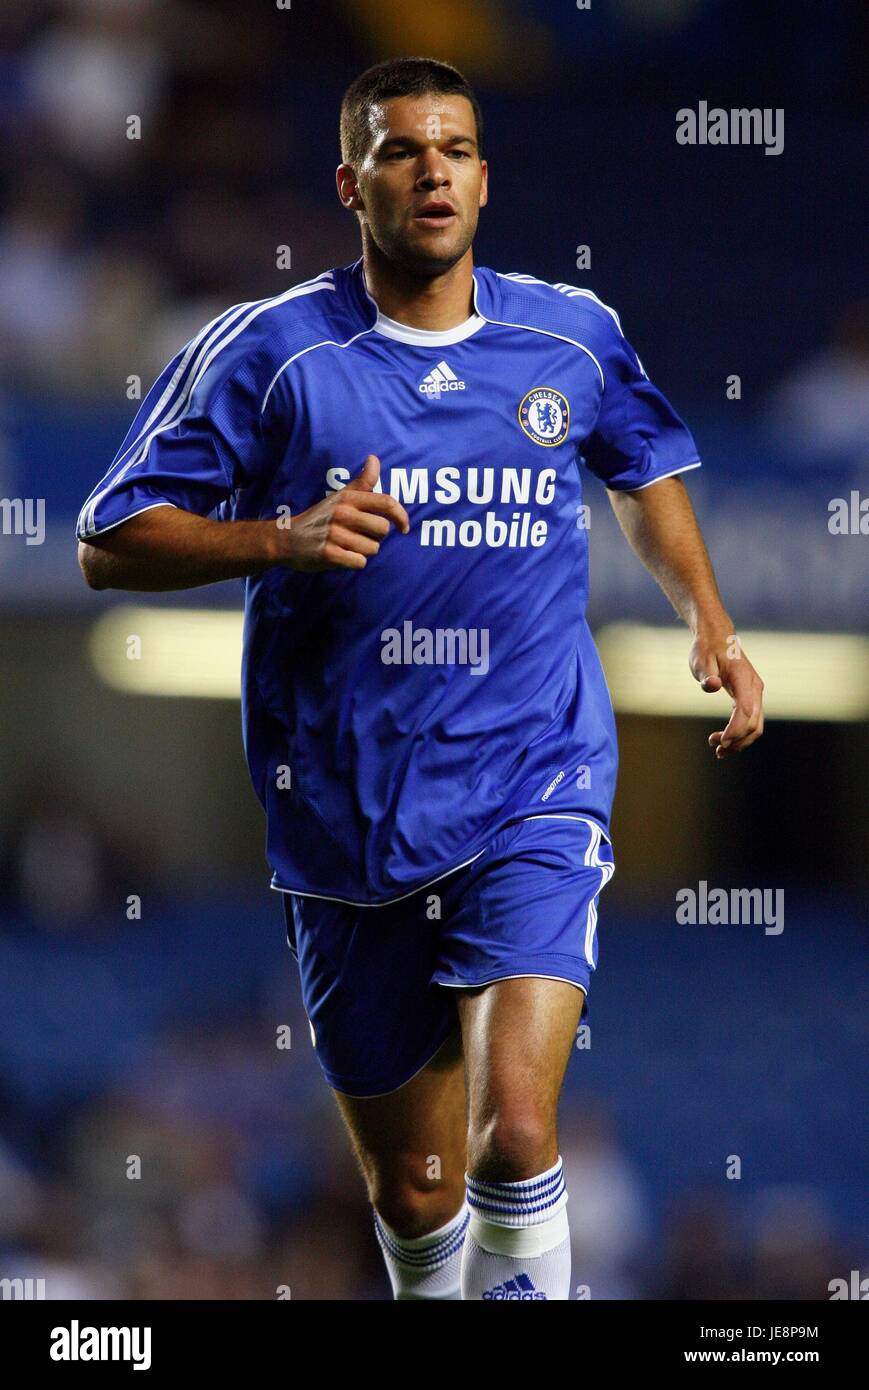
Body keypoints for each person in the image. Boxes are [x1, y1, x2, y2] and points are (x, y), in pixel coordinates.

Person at [76, 57, 764, 1301]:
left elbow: (644, 471)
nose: (430, 170)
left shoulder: (569, 334)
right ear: (351, 182)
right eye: (400, 151)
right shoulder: (270, 354)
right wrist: (277, 537)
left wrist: (707, 620)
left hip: (533, 778)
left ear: (484, 180)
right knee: (417, 1190)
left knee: (515, 1133)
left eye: (453, 150)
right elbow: (107, 538)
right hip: (344, 813)